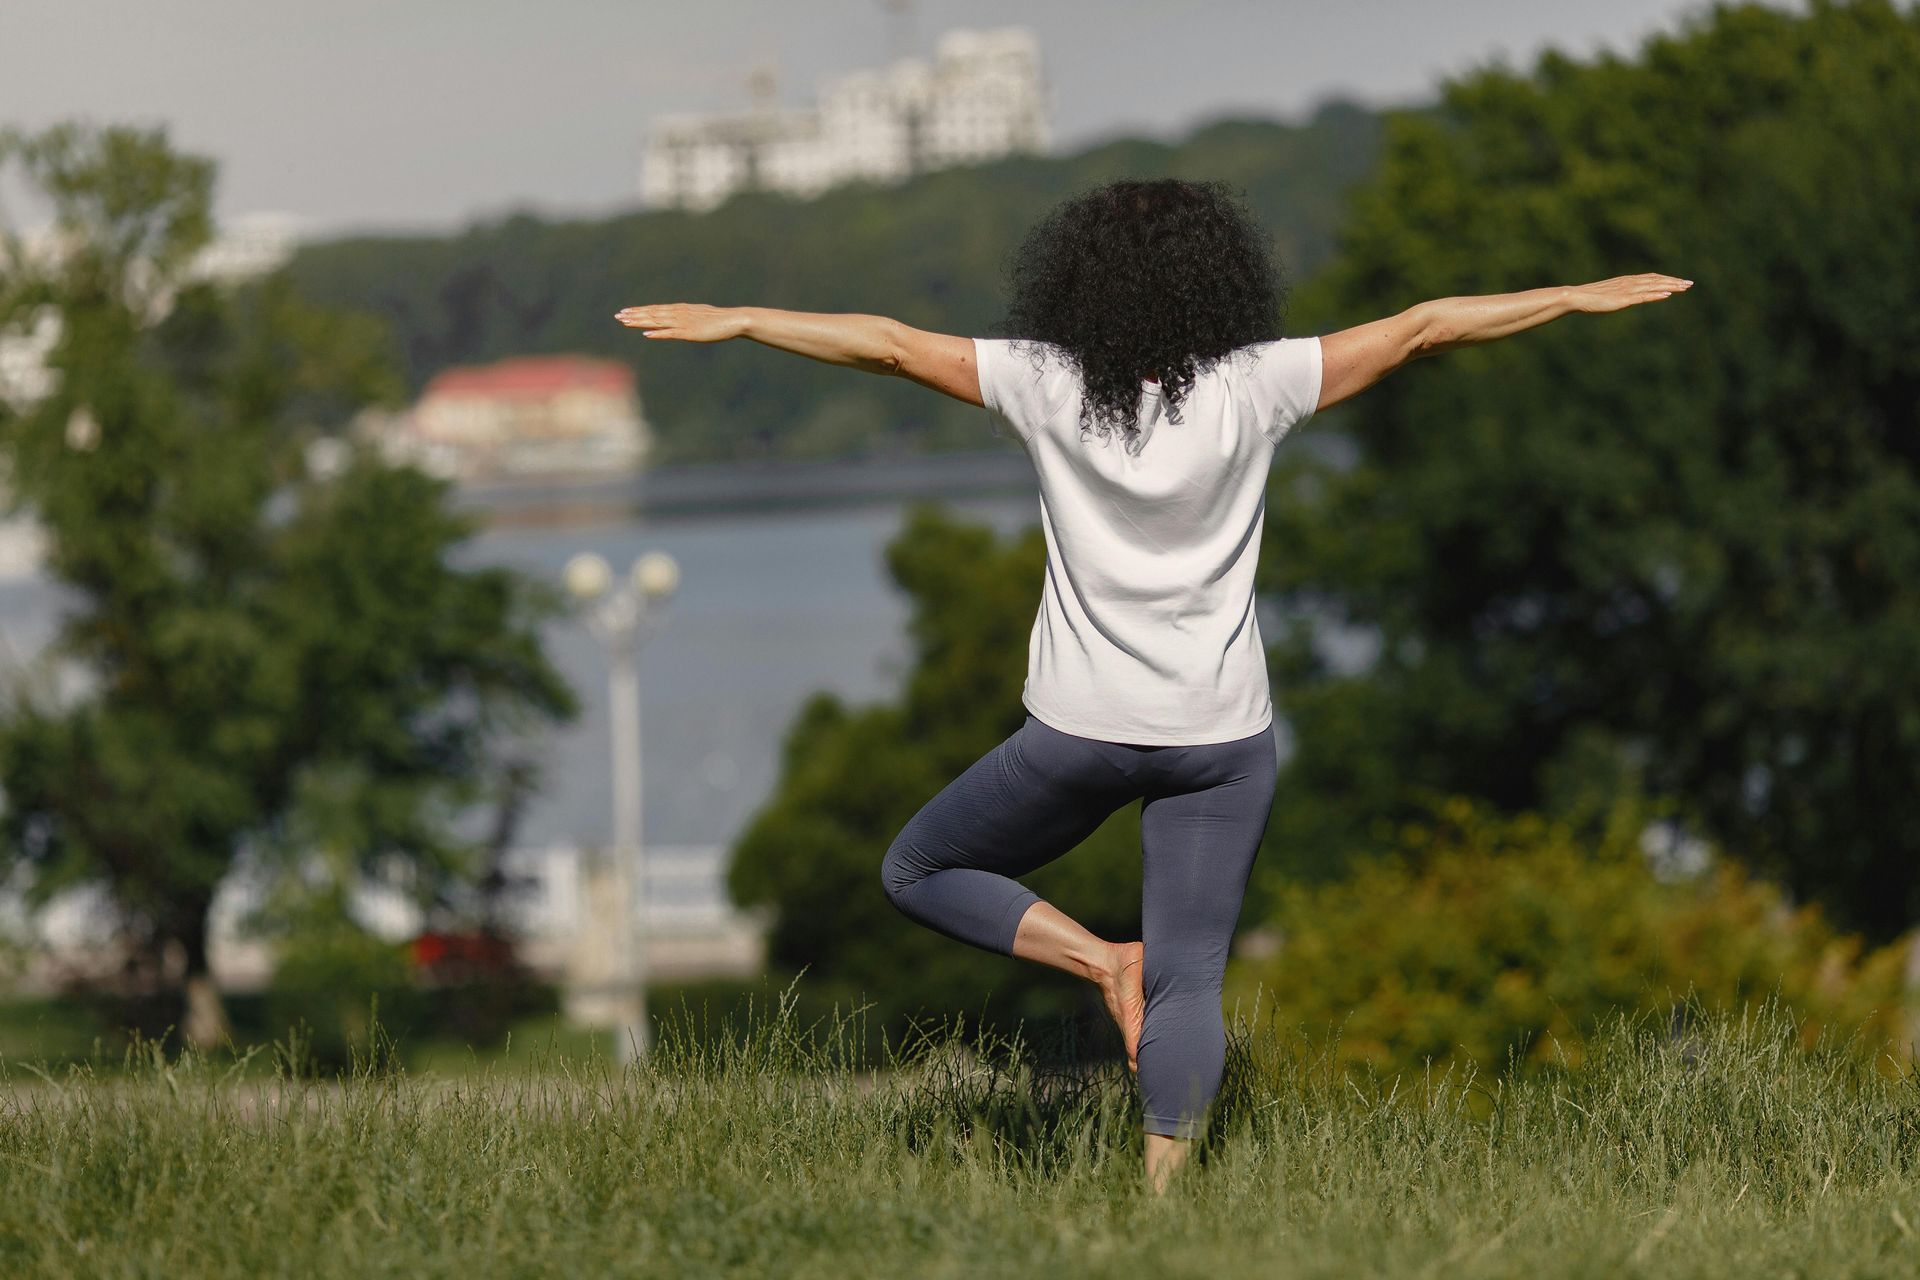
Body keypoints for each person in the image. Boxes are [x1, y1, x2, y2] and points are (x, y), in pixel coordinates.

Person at [616, 178, 1690, 1194]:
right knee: (1191, 977)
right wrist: (1572, 296)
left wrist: (745, 316)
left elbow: (889, 346)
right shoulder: (1261, 384)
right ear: (1216, 283)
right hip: (1223, 738)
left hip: (1080, 730)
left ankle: (1097, 960)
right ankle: (1165, 1201)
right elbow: (1424, 326)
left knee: (917, 865)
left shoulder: (1041, 381)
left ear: (1075, 285)